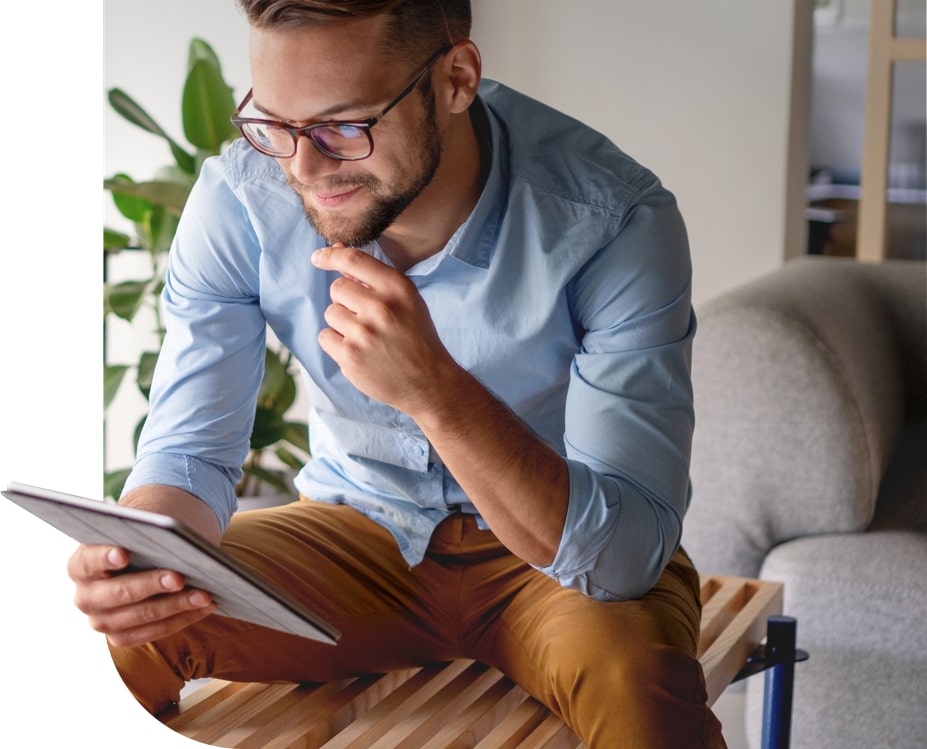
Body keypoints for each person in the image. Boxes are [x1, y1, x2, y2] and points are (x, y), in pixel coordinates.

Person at [72, 1, 725, 746]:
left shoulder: (612, 221)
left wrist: (437, 392)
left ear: (455, 78)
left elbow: (623, 555)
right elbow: (188, 456)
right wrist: (142, 561)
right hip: (355, 532)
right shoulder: (241, 197)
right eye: (274, 123)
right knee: (126, 634)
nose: (302, 168)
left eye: (343, 126)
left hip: (554, 557)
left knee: (637, 691)